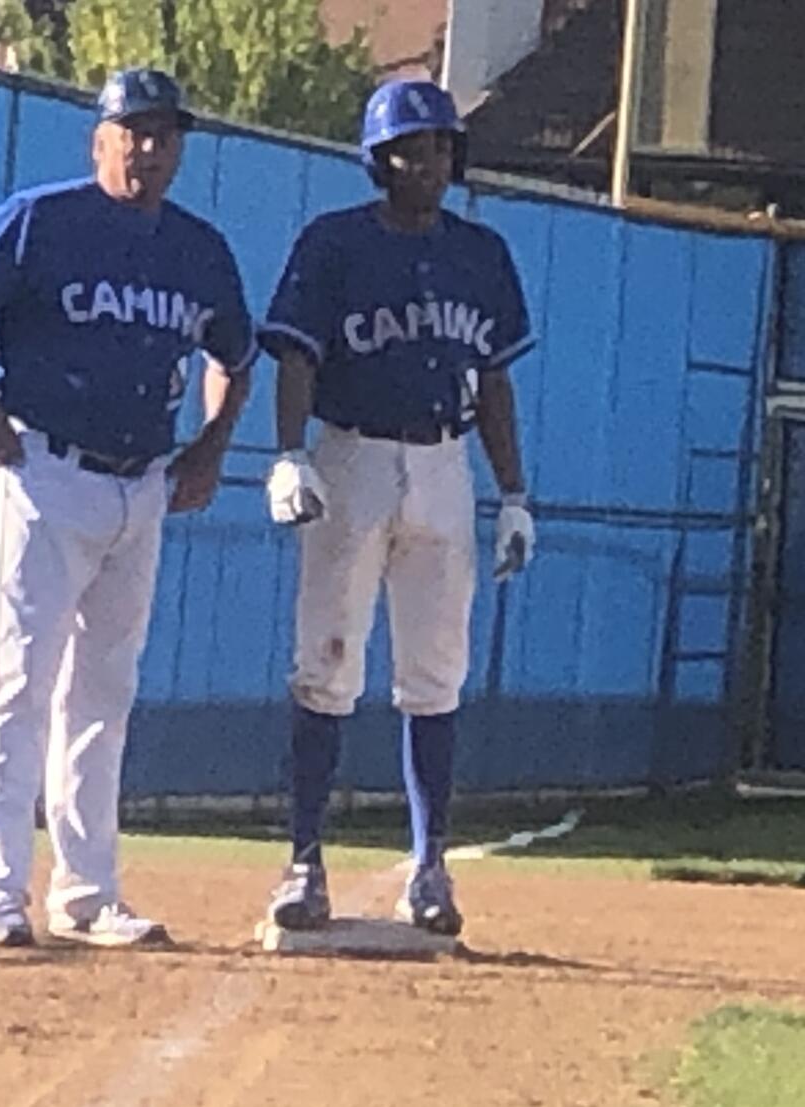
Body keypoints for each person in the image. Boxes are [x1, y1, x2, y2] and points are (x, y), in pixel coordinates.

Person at [0, 68, 254, 948]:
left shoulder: (198, 248)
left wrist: (211, 445)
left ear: (180, 148)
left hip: (142, 486)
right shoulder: (45, 217)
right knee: (23, 682)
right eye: (131, 130)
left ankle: (89, 891)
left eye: (163, 133)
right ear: (99, 140)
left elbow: (236, 354)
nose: (147, 147)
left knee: (105, 692)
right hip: (44, 470)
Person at [258, 78, 536, 937]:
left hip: (444, 460)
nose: (430, 163)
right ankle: (304, 861)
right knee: (327, 660)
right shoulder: (335, 242)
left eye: (443, 147)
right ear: (379, 160)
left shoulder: (481, 252)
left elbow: (493, 380)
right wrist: (289, 450)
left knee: (435, 670)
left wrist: (515, 492)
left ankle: (431, 865)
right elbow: (296, 356)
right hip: (352, 452)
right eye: (413, 149)